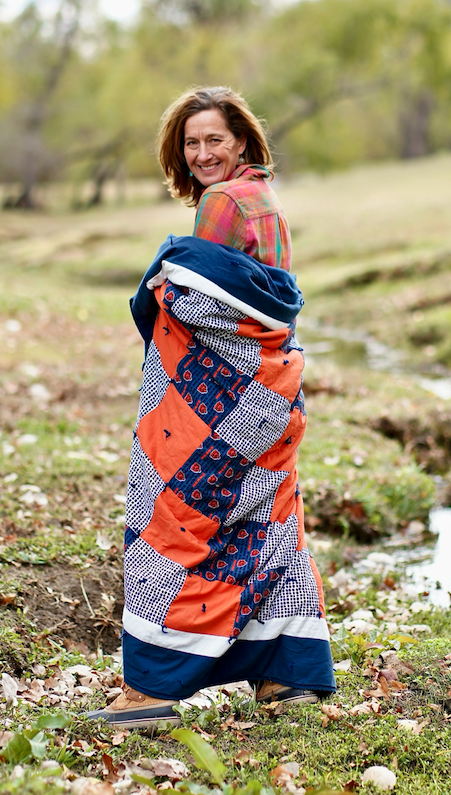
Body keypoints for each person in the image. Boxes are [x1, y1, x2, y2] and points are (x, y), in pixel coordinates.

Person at [88, 87, 335, 731]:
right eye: (191, 142)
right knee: (265, 526)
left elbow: (204, 306)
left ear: (242, 140)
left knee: (169, 522)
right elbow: (264, 304)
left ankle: (150, 686)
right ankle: (286, 673)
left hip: (220, 405)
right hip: (276, 392)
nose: (201, 153)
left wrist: (164, 285)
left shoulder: (222, 202)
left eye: (214, 140)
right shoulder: (264, 198)